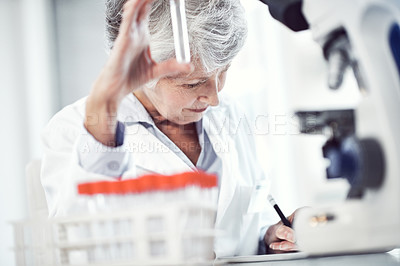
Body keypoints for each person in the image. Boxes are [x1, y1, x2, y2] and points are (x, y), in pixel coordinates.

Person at [41, 0, 298, 257]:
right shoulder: (73, 129)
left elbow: (245, 220)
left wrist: (268, 236)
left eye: (223, 72)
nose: (214, 97)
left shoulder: (230, 113)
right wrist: (103, 134)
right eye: (193, 84)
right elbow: (75, 246)